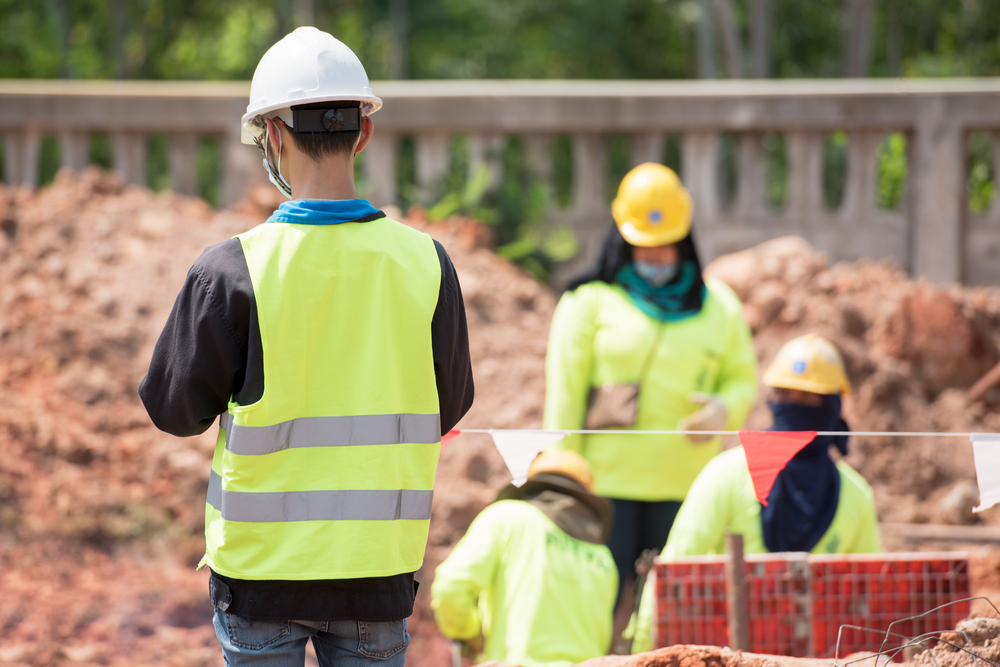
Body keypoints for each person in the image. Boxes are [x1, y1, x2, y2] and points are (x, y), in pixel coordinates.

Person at [138, 27, 474, 667]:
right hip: (378, 578)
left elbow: (175, 412)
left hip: (263, 579)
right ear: (364, 132)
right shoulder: (426, 263)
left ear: (274, 135)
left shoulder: (232, 271)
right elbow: (449, 406)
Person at [543, 162, 758, 601]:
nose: (654, 256)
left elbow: (742, 378)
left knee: (677, 612)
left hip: (689, 489)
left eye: (665, 245)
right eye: (644, 246)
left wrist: (724, 409)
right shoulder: (587, 302)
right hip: (603, 489)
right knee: (596, 606)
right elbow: (564, 396)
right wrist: (563, 479)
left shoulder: (720, 307)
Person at [630, 333, 880, 653]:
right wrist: (643, 652)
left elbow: (868, 597)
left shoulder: (856, 495)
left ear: (830, 406)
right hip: (729, 655)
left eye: (806, 397)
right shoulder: (728, 475)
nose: (794, 406)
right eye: (785, 394)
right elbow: (672, 571)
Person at [431, 451, 617, 667]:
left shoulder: (507, 517)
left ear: (533, 484)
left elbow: (450, 587)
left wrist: (470, 634)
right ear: (586, 498)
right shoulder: (604, 557)